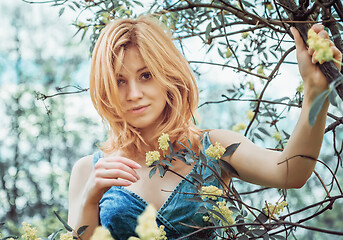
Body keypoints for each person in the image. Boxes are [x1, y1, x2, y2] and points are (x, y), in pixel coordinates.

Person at [67, 15, 342, 240]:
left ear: (168, 75)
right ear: (105, 90)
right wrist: (90, 200)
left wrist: (315, 92)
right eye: (119, 81)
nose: (134, 93)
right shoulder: (88, 171)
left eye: (146, 75)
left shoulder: (215, 148)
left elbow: (291, 171)